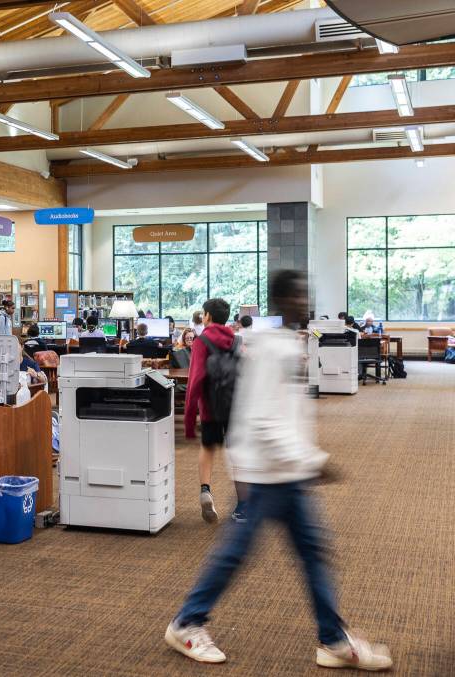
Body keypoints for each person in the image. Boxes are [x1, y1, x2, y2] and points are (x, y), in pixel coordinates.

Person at [164, 270, 392, 671]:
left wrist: (306, 459)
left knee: (312, 553)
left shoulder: (287, 343)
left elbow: (287, 415)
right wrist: (314, 462)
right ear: (282, 300)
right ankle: (187, 622)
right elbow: (266, 419)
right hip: (267, 474)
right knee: (237, 553)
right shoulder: (272, 349)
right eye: (299, 295)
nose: (305, 302)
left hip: (286, 472)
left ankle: (333, 639)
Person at [184, 298, 241, 524]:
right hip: (235, 405)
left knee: (208, 448)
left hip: (210, 406)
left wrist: (189, 421)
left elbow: (195, 380)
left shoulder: (201, 341)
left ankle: (206, 490)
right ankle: (243, 505)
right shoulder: (237, 340)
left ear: (206, 316)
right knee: (237, 454)